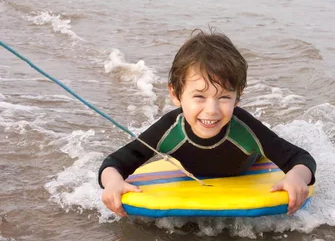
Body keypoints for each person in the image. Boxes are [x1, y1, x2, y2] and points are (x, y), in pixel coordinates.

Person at [99, 31, 316, 217]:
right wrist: (113, 183)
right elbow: (114, 162)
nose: (211, 110)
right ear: (175, 94)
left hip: (249, 166)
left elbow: (301, 158)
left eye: (224, 98)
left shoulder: (245, 129)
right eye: (199, 97)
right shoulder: (169, 129)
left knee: (270, 146)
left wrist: (296, 177)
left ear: (237, 98)